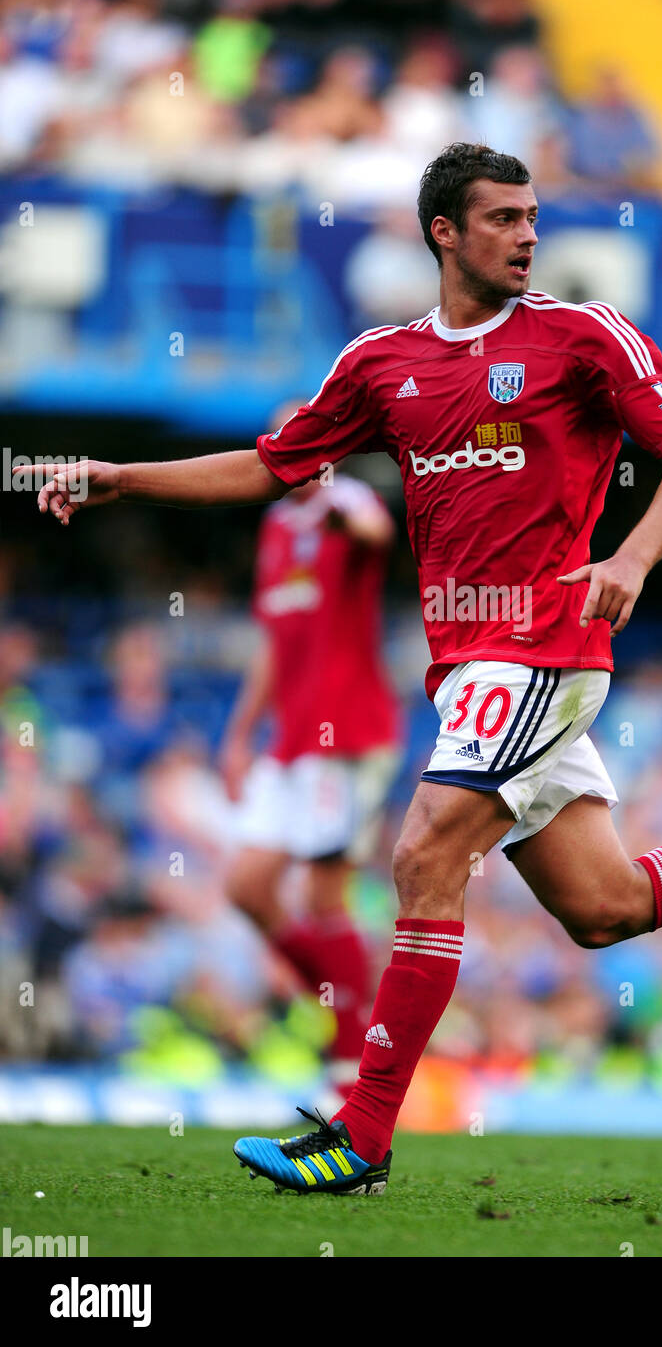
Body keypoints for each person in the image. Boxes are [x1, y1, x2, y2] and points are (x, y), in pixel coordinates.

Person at [19, 143, 662, 1198]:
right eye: (501, 218)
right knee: (605, 906)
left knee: (423, 853)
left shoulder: (578, 335)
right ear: (443, 233)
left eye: (532, 215)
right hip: (469, 671)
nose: (527, 234)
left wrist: (629, 558)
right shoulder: (380, 364)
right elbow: (273, 464)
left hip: (544, 645)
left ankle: (360, 1132)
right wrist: (120, 477)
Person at [221, 463, 400, 1101]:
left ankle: (350, 1069)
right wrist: (240, 733)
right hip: (291, 738)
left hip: (347, 732)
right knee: (246, 887)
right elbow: (274, 642)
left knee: (328, 899)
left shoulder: (344, 503)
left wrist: (347, 515)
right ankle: (346, 1009)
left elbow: (376, 531)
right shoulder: (275, 525)